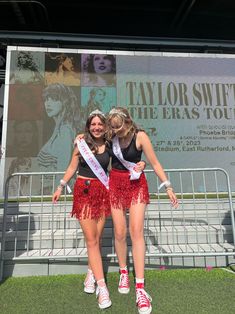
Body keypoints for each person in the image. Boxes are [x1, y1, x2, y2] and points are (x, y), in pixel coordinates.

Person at [106, 107, 179, 314]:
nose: (117, 131)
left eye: (119, 127)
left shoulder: (141, 136)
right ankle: (123, 272)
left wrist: (168, 186)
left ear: (128, 122)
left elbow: (154, 162)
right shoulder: (110, 136)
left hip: (136, 184)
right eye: (113, 128)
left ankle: (140, 288)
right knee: (119, 232)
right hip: (116, 183)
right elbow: (91, 134)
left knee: (136, 231)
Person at [37, 83, 79, 193]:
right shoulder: (59, 128)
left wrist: (56, 194)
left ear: (65, 103)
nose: (48, 104)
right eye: (46, 99)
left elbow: (62, 170)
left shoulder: (65, 130)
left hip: (54, 192)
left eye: (54, 99)